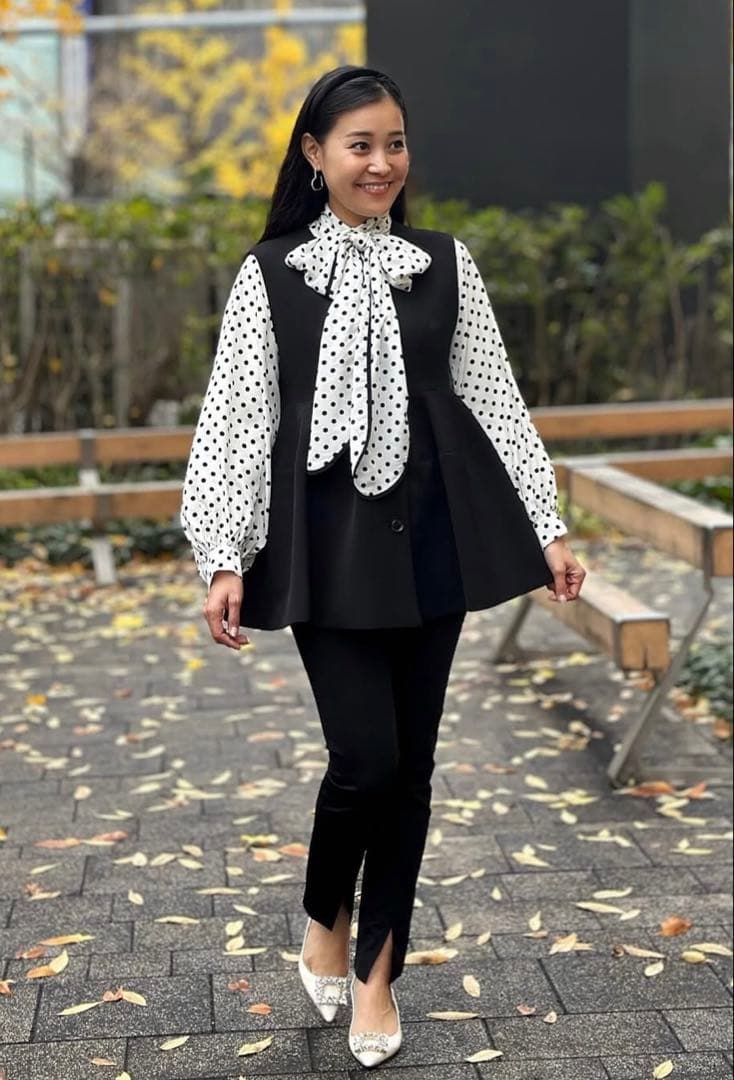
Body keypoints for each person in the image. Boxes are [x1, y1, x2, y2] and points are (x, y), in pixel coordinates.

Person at [180, 64, 586, 1068]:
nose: (381, 162)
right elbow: (238, 419)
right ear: (314, 155)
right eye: (359, 144)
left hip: (434, 536)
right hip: (324, 547)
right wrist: (223, 555)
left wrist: (546, 524)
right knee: (365, 760)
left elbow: (493, 397)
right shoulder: (270, 273)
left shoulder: (444, 263)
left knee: (411, 770)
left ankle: (376, 975)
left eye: (394, 142)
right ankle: (325, 913)